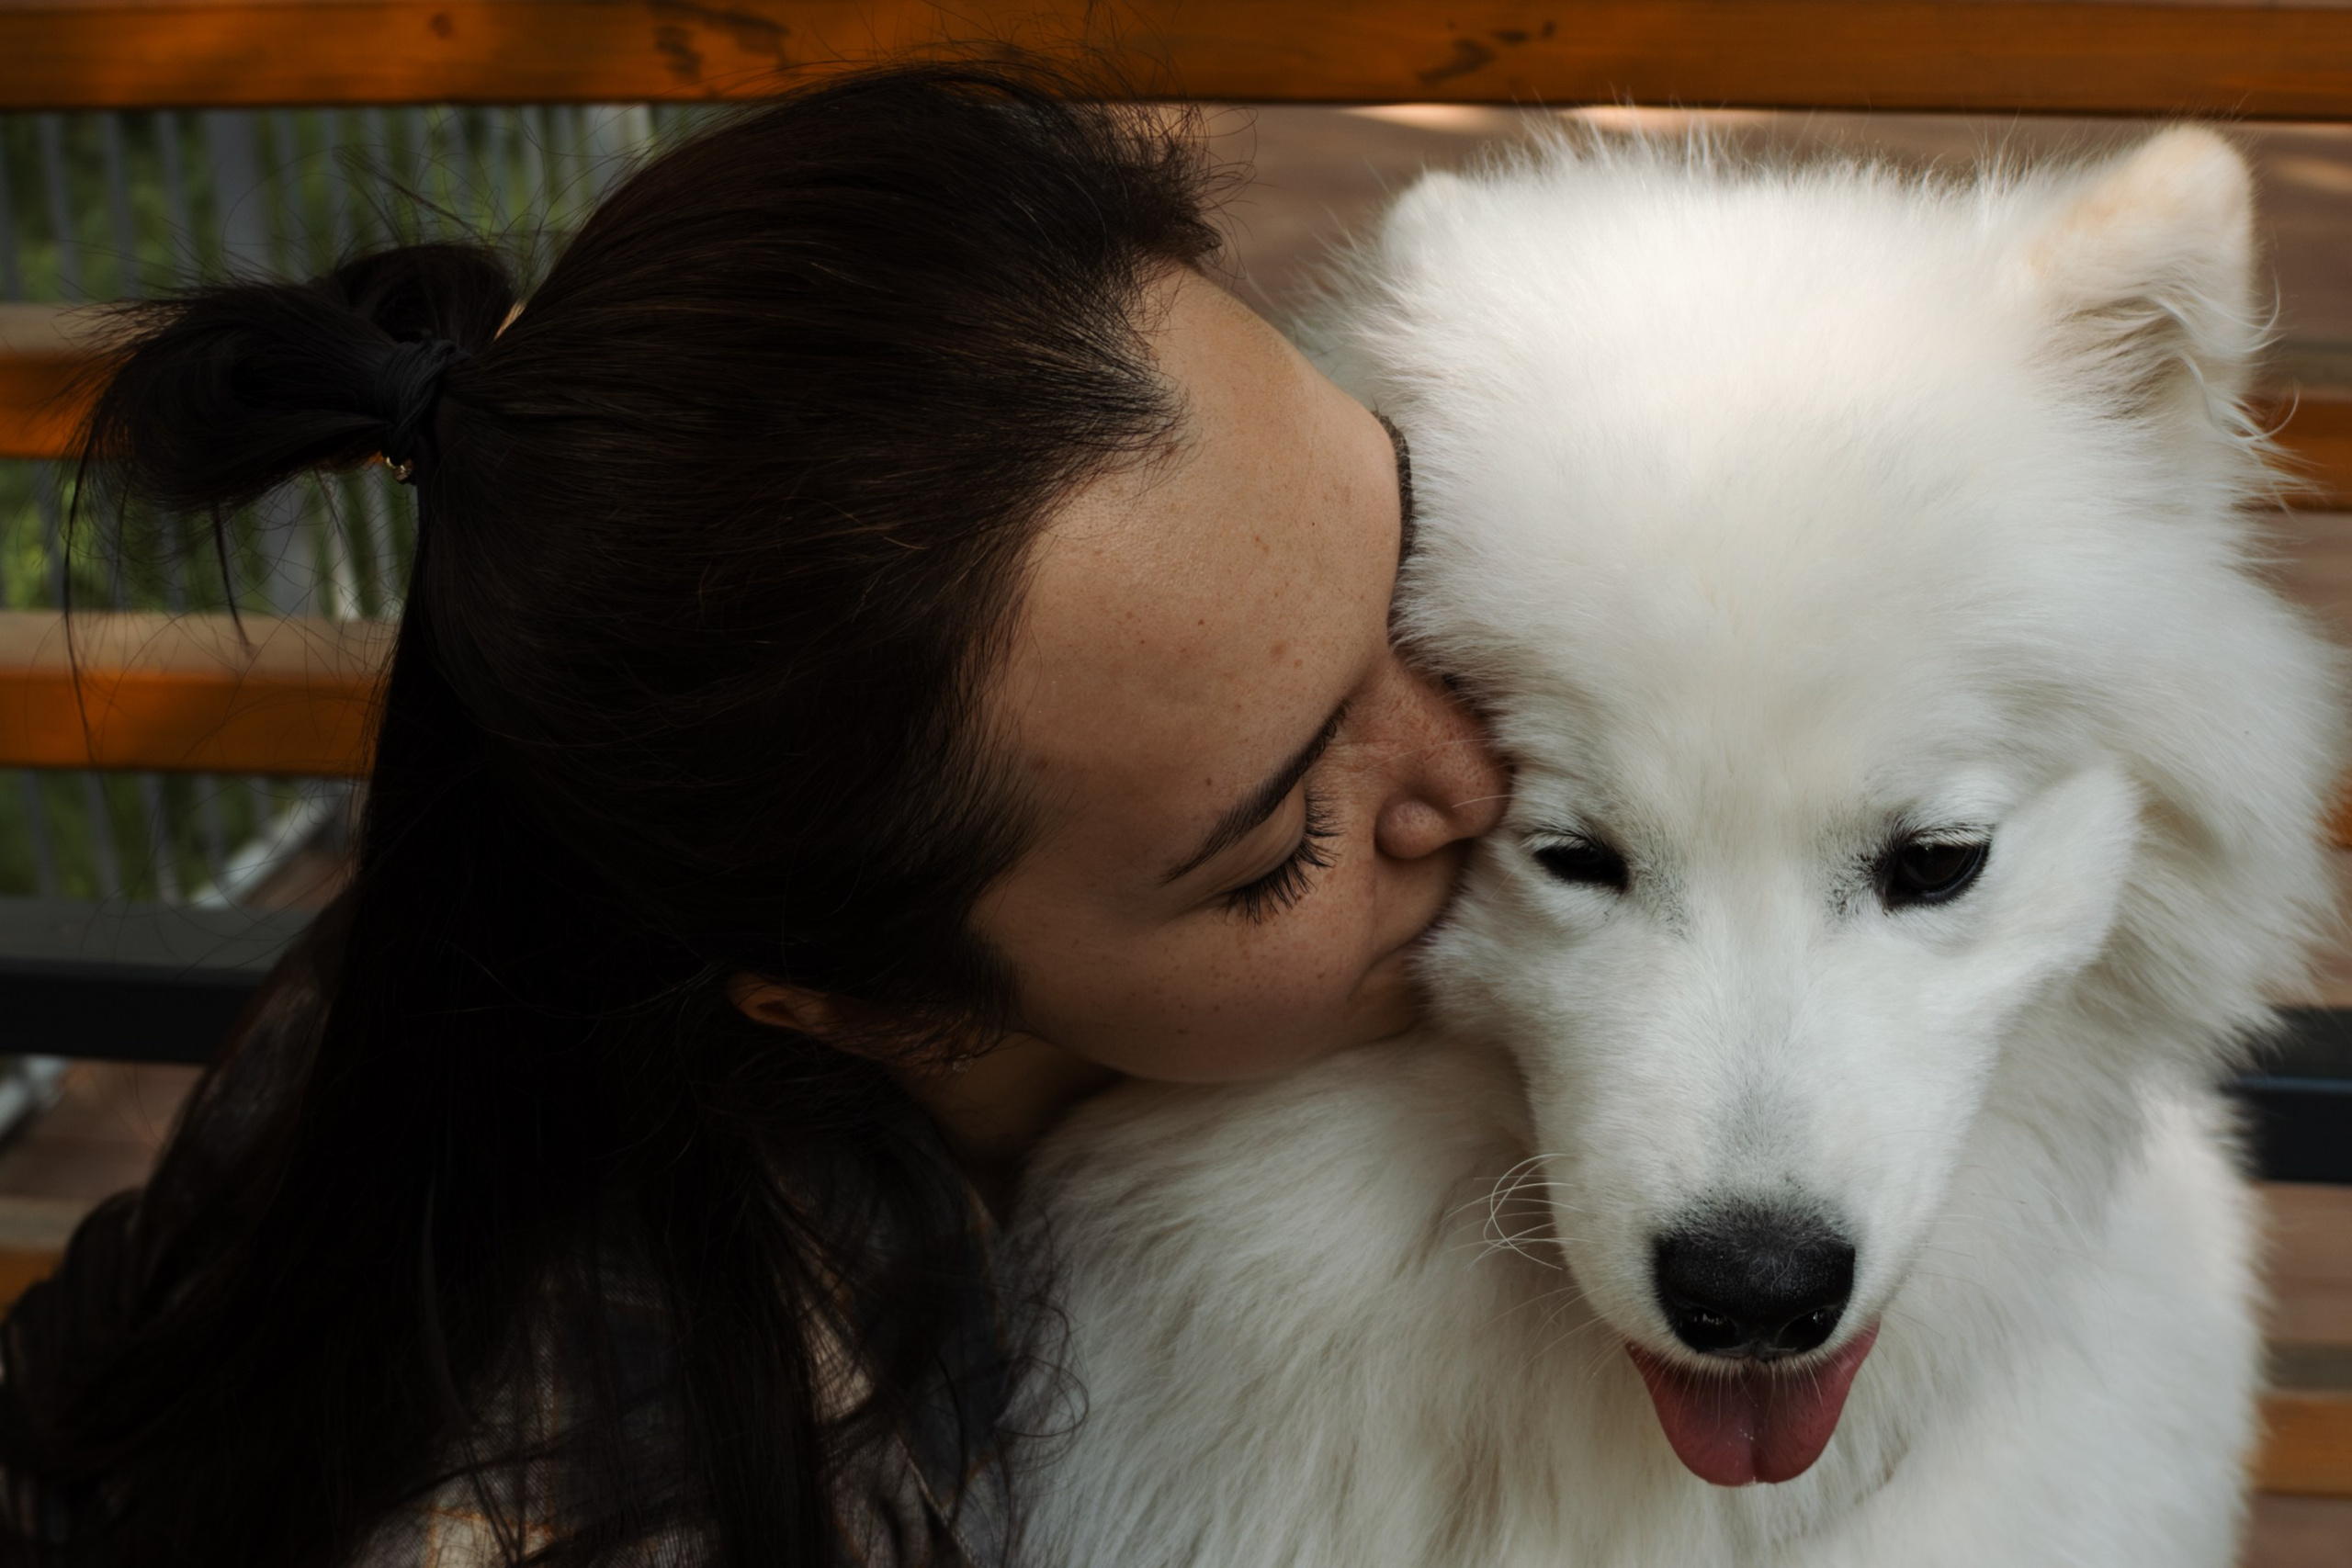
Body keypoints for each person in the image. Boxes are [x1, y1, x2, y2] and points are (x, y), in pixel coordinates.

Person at [0, 62, 1505, 1567]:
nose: (1479, 771)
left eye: (1407, 564)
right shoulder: (667, 1489)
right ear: (867, 1006)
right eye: (1284, 844)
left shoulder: (556, 886)